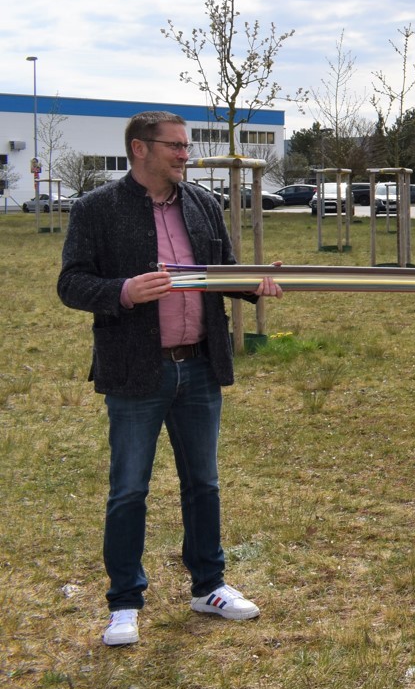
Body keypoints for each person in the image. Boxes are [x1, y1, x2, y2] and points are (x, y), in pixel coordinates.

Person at [56, 110, 282, 647]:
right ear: (140, 149)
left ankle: (209, 586)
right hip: (136, 371)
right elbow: (70, 283)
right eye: (175, 146)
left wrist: (254, 284)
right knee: (129, 489)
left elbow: (221, 272)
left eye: (186, 146)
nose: (185, 154)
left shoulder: (203, 204)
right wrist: (124, 293)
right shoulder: (96, 210)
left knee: (203, 483)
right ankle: (125, 603)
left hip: (200, 367)